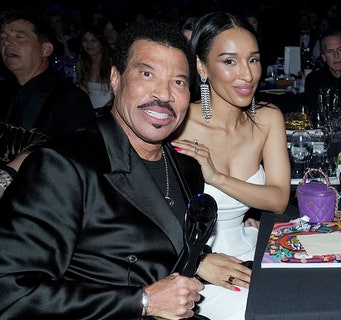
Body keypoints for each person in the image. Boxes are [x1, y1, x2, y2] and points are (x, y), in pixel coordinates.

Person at [0, 19, 205, 319]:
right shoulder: (65, 166)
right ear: (115, 78)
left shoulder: (187, 170)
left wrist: (202, 258)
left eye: (179, 82)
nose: (164, 94)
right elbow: (11, 292)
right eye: (147, 74)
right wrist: (142, 302)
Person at [170, 12, 290, 319]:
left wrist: (216, 177)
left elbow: (278, 199)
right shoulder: (176, 125)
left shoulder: (267, 119)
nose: (247, 75)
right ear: (201, 67)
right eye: (229, 61)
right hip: (196, 268)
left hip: (255, 252)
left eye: (253, 60)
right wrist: (196, 261)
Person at [0, 10, 95, 195]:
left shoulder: (69, 98)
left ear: (46, 49)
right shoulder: (3, 92)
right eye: (2, 37)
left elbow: (79, 159)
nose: (7, 42)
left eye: (19, 36)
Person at [76, 26, 113, 111]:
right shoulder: (81, 65)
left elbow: (118, 95)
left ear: (101, 43)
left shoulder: (112, 64)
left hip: (110, 112)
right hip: (90, 112)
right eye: (85, 40)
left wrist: (102, 112)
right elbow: (83, 96)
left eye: (93, 40)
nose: (89, 45)